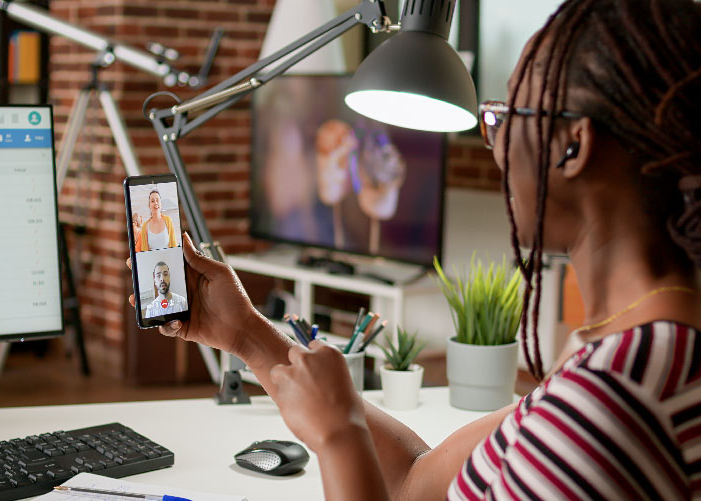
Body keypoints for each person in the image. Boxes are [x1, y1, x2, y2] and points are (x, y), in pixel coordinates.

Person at [130, 0, 701, 498]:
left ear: (571, 147)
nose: (496, 147)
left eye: (505, 118)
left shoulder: (610, 402)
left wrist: (338, 436)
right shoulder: (636, 356)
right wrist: (247, 335)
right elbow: (416, 480)